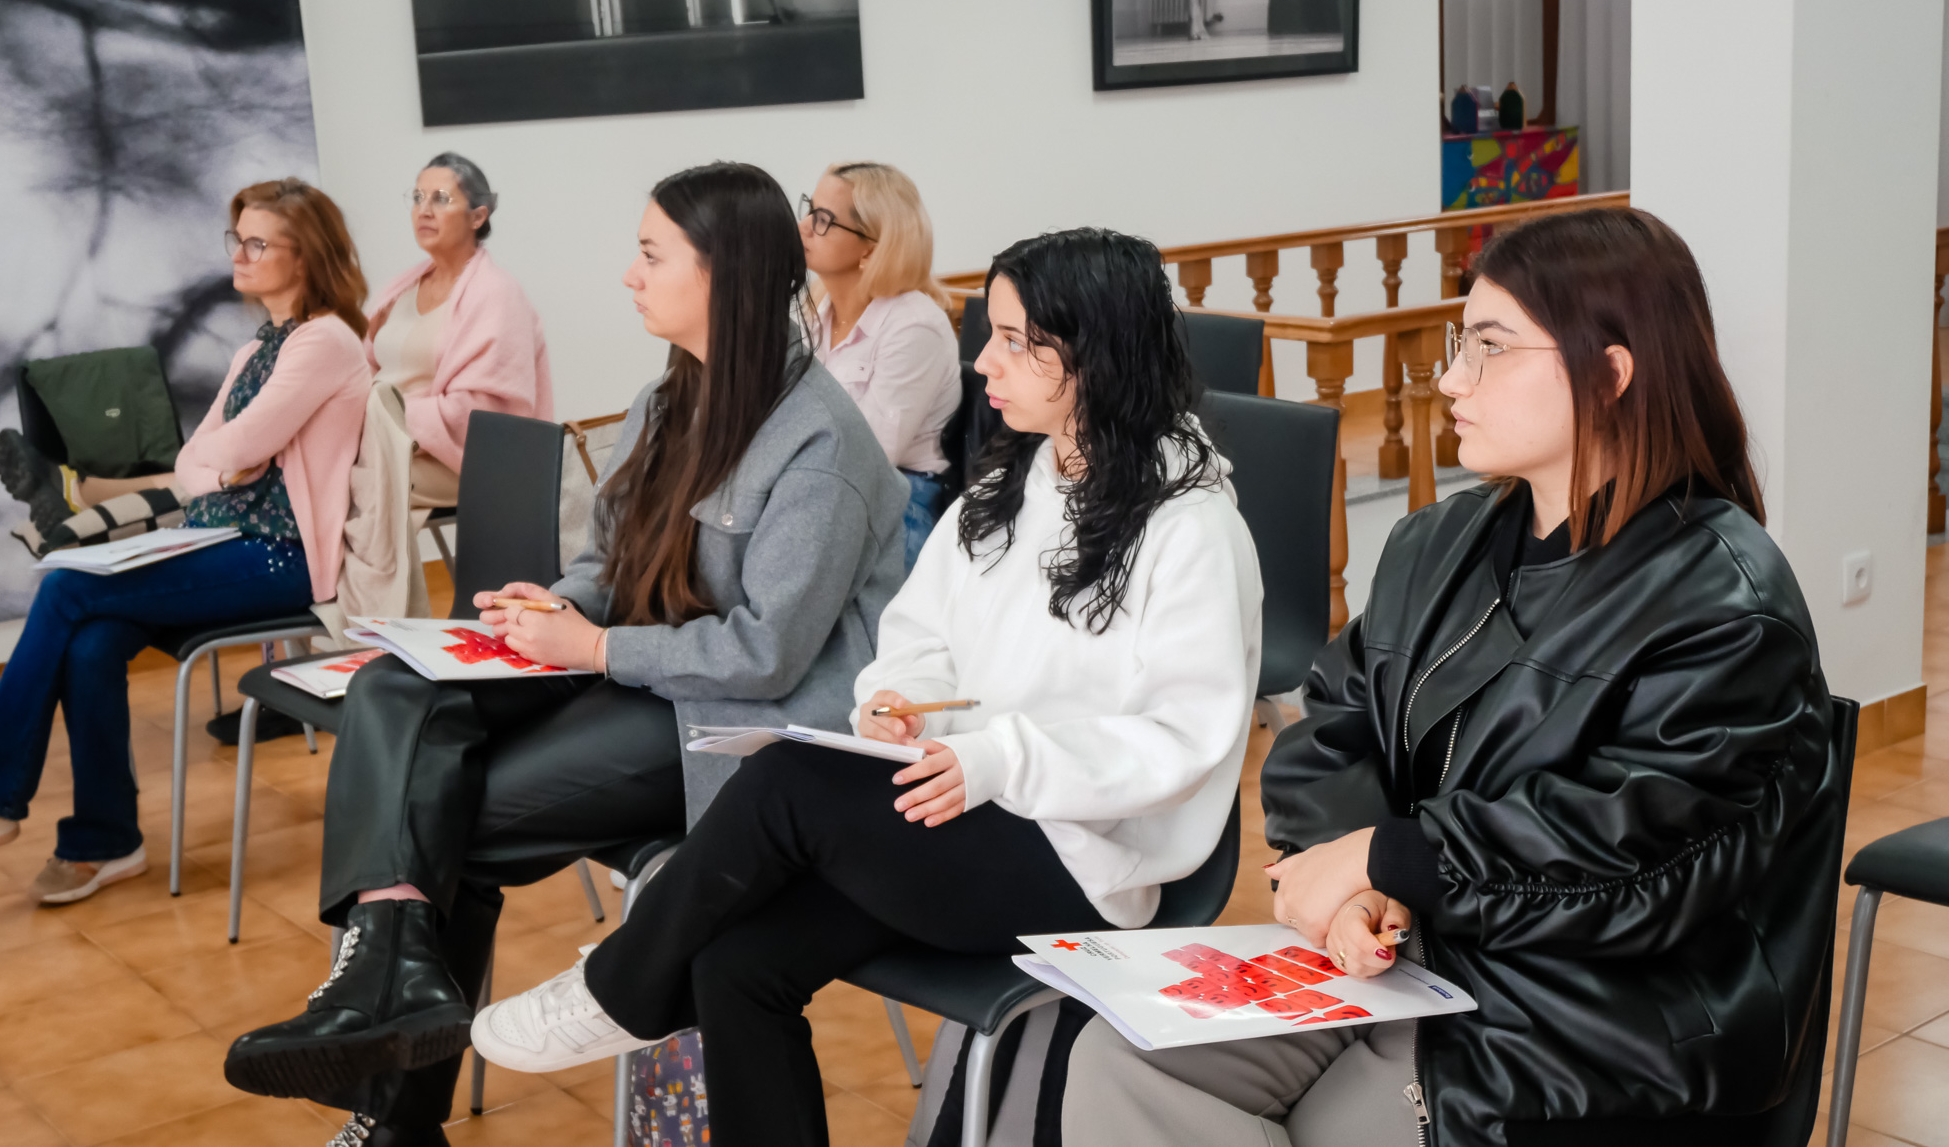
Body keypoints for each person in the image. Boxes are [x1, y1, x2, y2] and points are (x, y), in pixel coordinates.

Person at [461, 228, 1264, 1146]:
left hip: (1081, 862)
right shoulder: (1009, 487)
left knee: (787, 780)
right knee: (735, 965)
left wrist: (998, 758)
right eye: (991, 335)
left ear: (1099, 353)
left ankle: (620, 987)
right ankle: (639, 981)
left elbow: (1182, 740)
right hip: (961, 810)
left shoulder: (1192, 529)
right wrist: (898, 701)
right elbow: (918, 638)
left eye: (1015, 341)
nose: (982, 361)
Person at [1060, 208, 1837, 1147]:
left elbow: (1638, 860)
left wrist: (1391, 858)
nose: (1452, 379)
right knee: (1120, 1062)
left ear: (1610, 373)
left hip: (1588, 1021)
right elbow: (1335, 726)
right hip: (1408, 950)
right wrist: (1355, 885)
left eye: (1491, 348)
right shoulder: (1437, 543)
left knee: (1332, 1128)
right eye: (1459, 344)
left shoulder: (1726, 603)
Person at [220, 162, 908, 1146]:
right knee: (394, 686)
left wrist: (590, 641)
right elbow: (604, 562)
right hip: (633, 674)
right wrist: (558, 604)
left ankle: (391, 1089)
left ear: (727, 274)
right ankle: (387, 991)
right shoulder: (667, 401)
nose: (628, 275)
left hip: (732, 725)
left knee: (441, 815)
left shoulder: (823, 446)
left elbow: (766, 655)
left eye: (650, 255)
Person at [0, 179, 370, 903]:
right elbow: (194, 461)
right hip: (221, 540)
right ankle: (105, 842)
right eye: (237, 239)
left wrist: (219, 462)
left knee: (66, 588)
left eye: (257, 243)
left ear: (304, 256)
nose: (238, 255)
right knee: (91, 643)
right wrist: (217, 466)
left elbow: (237, 445)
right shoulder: (260, 347)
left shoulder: (326, 342)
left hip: (284, 557)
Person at [363, 152, 554, 508]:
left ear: (478, 217)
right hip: (384, 443)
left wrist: (382, 417)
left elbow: (482, 415)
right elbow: (363, 368)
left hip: (458, 460)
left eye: (441, 199)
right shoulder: (400, 289)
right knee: (317, 474)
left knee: (351, 486)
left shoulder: (497, 295)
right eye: (418, 197)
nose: (424, 210)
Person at [800, 160, 960, 569]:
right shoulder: (813, 310)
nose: (803, 227)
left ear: (871, 248)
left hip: (902, 498)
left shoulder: (914, 325)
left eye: (822, 220)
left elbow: (871, 458)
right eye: (809, 210)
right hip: (823, 487)